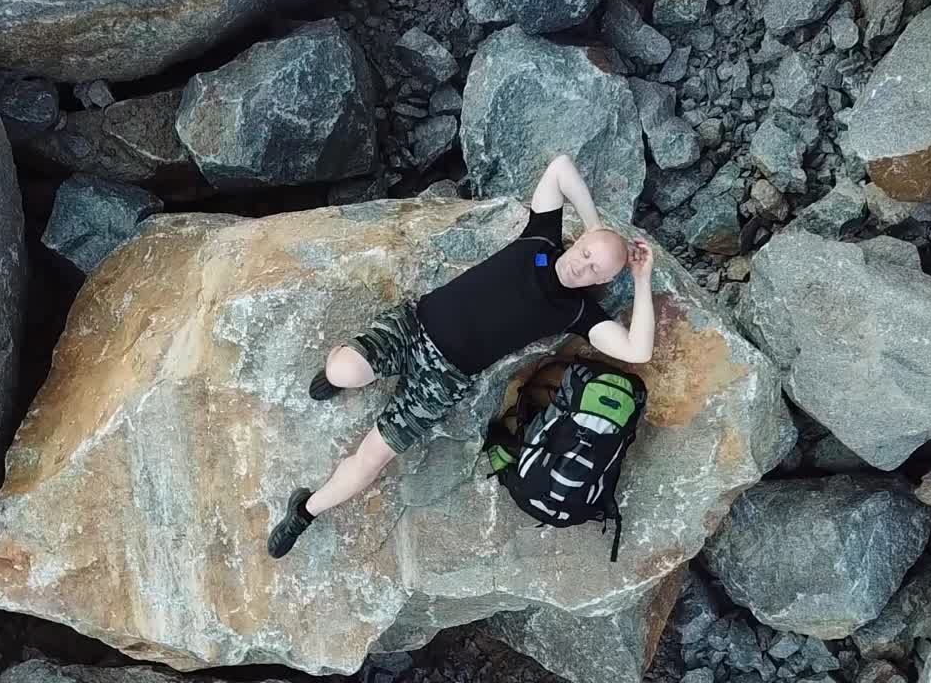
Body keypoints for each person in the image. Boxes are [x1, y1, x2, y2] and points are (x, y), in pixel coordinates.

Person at [267, 152, 657, 558]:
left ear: (607, 280)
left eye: (598, 271)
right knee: (344, 370)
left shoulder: (576, 311)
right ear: (580, 242)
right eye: (588, 254)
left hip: (444, 380)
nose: (585, 267)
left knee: (372, 460)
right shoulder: (540, 240)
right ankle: (335, 375)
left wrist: (641, 279)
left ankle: (304, 512)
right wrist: (598, 228)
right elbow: (560, 167)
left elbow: (637, 349)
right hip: (415, 327)